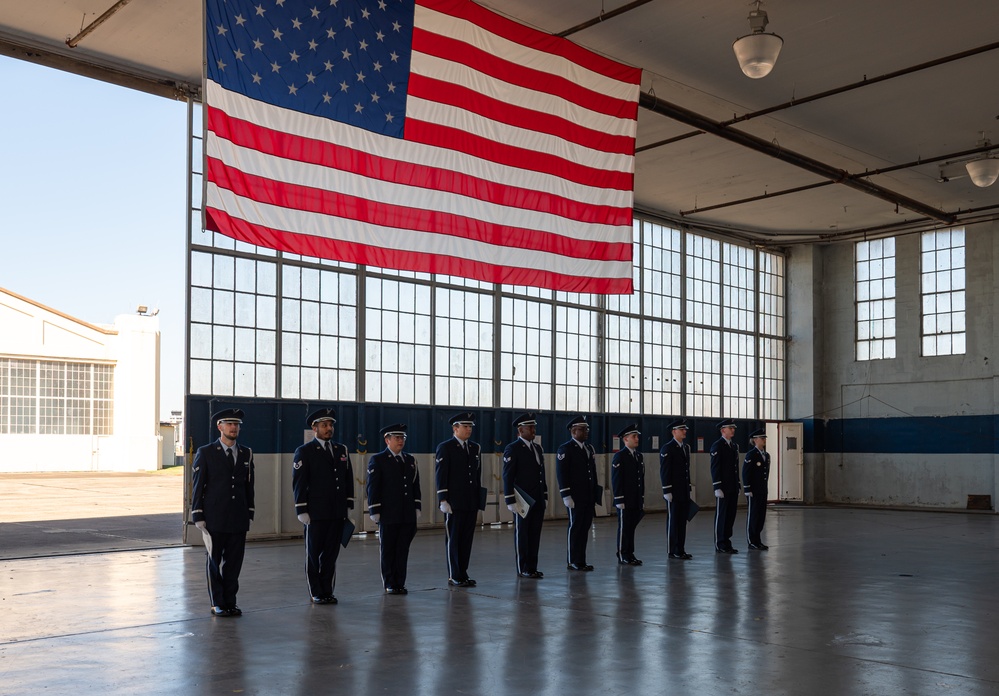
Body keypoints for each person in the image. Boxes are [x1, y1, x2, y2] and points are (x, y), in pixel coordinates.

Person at [191, 407, 255, 616]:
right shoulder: (206, 452)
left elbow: (248, 485)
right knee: (214, 562)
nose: (234, 427)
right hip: (214, 517)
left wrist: (250, 511)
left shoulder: (246, 452)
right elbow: (198, 485)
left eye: (236, 424)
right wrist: (198, 513)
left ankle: (230, 601)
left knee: (234, 563)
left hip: (238, 517)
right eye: (229, 424)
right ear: (219, 427)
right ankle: (217, 603)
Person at [292, 407, 354, 605]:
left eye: (330, 425)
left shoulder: (341, 450)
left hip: (336, 511)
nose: (329, 429)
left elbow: (348, 478)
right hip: (315, 513)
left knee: (330, 554)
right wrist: (301, 509)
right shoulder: (305, 451)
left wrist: (348, 502)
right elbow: (299, 482)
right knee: (313, 554)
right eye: (324, 425)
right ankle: (316, 591)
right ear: (315, 427)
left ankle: (327, 590)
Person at [367, 423, 422, 595]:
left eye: (402, 438)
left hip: (406, 514)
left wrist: (417, 506)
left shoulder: (410, 460)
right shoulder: (378, 460)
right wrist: (374, 510)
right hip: (388, 514)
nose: (400, 441)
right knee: (388, 549)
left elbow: (415, 486)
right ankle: (390, 582)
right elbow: (373, 487)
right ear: (387, 440)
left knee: (402, 549)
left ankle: (400, 582)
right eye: (397, 438)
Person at [435, 411, 483, 587]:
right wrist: (443, 499)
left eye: (470, 426)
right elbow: (441, 475)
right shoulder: (446, 447)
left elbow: (477, 475)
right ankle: (454, 574)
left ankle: (463, 573)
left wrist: (478, 498)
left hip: (470, 501)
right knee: (454, 539)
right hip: (454, 502)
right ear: (455, 428)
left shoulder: (475, 448)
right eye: (465, 426)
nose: (469, 429)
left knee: (466, 540)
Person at [502, 413, 548, 579]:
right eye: (530, 427)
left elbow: (541, 474)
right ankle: (523, 568)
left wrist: (545, 494)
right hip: (522, 499)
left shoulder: (537, 448)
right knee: (523, 534)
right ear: (520, 430)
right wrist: (510, 499)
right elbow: (508, 475)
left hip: (537, 499)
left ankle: (532, 567)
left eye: (534, 427)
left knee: (535, 534)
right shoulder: (513, 448)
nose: (533, 430)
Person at [556, 415, 600, 571]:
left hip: (587, 496)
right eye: (582, 429)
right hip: (575, 496)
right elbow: (562, 474)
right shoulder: (566, 449)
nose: (586, 432)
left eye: (586, 429)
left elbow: (592, 473)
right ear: (573, 431)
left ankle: (581, 559)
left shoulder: (589, 448)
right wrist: (565, 495)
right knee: (575, 528)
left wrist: (595, 492)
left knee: (585, 528)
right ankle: (573, 560)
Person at [611, 423, 645, 566]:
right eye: (634, 436)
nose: (637, 439)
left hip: (635, 498)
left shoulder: (638, 456)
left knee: (631, 527)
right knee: (624, 527)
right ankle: (622, 554)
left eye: (637, 436)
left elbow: (640, 479)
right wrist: (619, 498)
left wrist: (641, 498)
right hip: (624, 499)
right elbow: (616, 479)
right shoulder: (620, 456)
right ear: (625, 439)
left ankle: (630, 553)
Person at [660, 419, 692, 560]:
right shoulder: (668, 448)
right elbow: (665, 471)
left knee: (682, 521)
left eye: (685, 429)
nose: (684, 431)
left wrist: (688, 487)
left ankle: (681, 548)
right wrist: (667, 490)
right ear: (674, 432)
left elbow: (686, 470)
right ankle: (672, 550)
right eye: (681, 429)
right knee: (673, 521)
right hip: (673, 491)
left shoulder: (685, 448)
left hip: (683, 490)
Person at [710, 418, 741, 554]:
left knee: (730, 515)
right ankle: (720, 543)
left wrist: (738, 484)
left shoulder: (734, 446)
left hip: (732, 486)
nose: (733, 430)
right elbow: (715, 468)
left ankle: (727, 542)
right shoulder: (718, 446)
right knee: (722, 515)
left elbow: (735, 467)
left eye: (733, 428)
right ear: (723, 430)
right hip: (723, 487)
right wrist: (717, 486)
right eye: (730, 428)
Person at [743, 428, 771, 550]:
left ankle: (758, 539)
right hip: (753, 491)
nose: (764, 440)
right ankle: (752, 540)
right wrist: (747, 488)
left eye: (765, 438)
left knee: (761, 515)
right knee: (753, 515)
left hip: (762, 490)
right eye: (762, 438)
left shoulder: (766, 455)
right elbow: (746, 473)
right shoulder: (751, 455)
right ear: (755, 440)